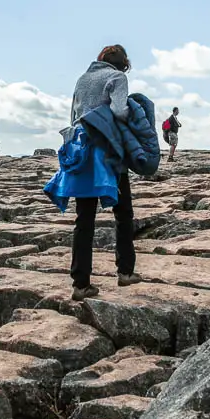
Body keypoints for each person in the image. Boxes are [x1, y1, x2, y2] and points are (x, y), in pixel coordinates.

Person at [68, 44, 144, 301]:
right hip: (109, 151)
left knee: (84, 219)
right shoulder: (117, 77)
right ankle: (125, 271)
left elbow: (74, 115)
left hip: (83, 150)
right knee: (123, 213)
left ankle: (80, 284)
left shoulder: (83, 78)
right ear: (123, 64)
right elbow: (119, 110)